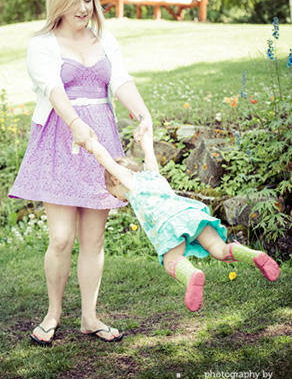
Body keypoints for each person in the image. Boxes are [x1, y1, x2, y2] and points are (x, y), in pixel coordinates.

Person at [9, 0, 153, 345]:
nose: (83, 7)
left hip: (100, 141)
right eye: (75, 0)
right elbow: (52, 88)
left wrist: (143, 115)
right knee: (60, 238)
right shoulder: (42, 43)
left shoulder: (104, 38)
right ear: (59, 1)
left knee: (94, 239)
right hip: (61, 138)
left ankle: (90, 317)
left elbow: (120, 80)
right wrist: (74, 122)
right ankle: (53, 313)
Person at [88, 131, 280, 311]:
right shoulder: (153, 174)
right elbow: (149, 153)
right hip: (191, 215)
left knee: (172, 260)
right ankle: (253, 254)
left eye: (116, 195)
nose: (121, 199)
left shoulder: (129, 181)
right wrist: (145, 142)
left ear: (116, 179)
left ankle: (191, 276)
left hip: (169, 223)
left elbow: (105, 160)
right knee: (221, 250)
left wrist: (91, 143)